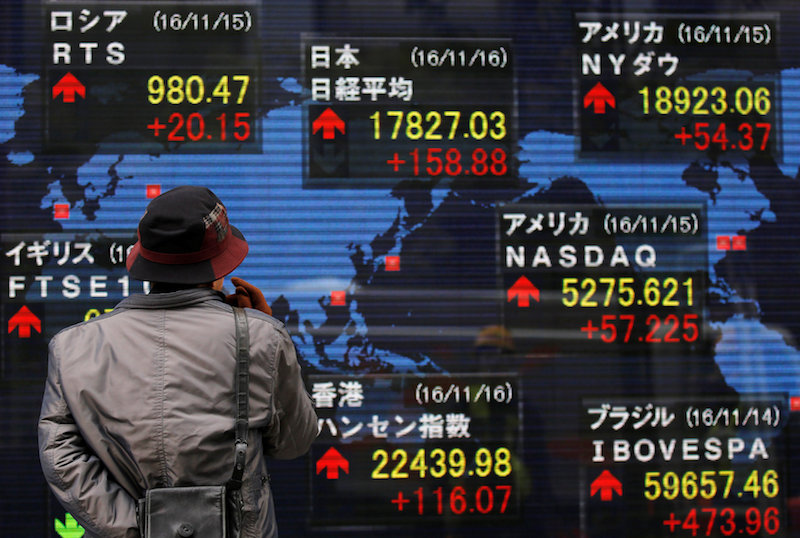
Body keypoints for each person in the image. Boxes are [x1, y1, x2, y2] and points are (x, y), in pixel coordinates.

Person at [38, 186, 318, 537]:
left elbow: (61, 458)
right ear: (219, 262)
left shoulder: (72, 346)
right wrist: (265, 333)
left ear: (142, 258)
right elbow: (294, 442)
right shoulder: (262, 338)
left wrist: (138, 528)